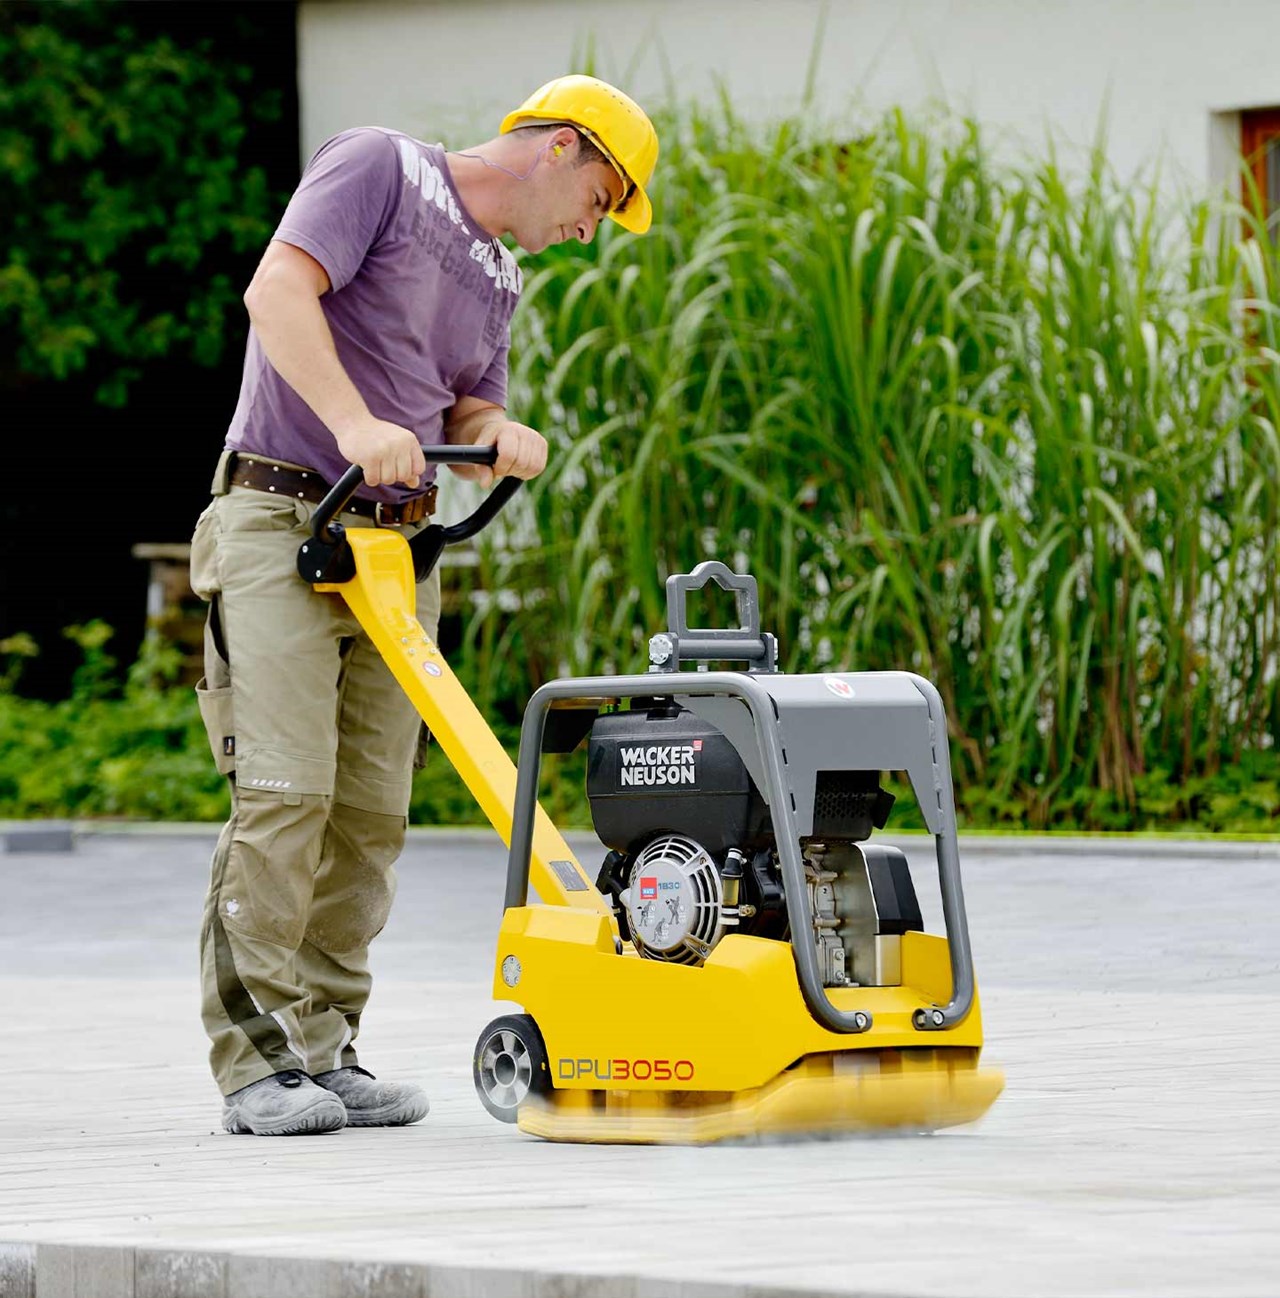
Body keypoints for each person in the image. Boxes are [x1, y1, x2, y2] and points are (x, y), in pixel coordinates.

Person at [189, 75, 659, 1136]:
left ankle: (323, 1046)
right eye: (603, 197)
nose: (591, 230)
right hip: (283, 519)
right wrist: (353, 423)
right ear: (561, 147)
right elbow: (276, 293)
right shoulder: (381, 168)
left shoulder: (498, 276)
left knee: (367, 814)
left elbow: (464, 395)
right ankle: (255, 1064)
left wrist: (499, 428)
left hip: (396, 550)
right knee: (284, 791)